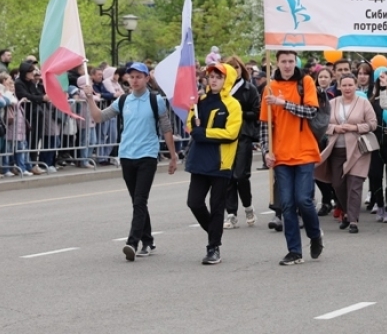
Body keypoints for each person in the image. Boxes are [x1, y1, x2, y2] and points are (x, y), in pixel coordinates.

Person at [87, 62, 178, 261]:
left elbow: (166, 128)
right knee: (137, 202)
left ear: (147, 78)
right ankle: (148, 240)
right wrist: (88, 98)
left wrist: (173, 155)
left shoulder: (155, 101)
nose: (135, 80)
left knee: (139, 200)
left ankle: (132, 242)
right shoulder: (123, 100)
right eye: (131, 77)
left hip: (147, 154)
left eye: (139, 76)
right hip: (127, 154)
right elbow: (99, 117)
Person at [260, 50, 324, 266]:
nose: (287, 65)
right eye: (283, 61)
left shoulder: (305, 82)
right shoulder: (269, 88)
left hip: (304, 150)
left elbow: (311, 112)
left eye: (290, 61)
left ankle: (315, 235)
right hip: (281, 154)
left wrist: (283, 102)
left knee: (303, 200)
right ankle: (294, 251)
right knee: (286, 204)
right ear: (276, 63)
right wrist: (266, 151)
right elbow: (266, 124)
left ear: (295, 62)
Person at [185, 63, 243, 265]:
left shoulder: (233, 105)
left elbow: (231, 133)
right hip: (199, 160)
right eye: (211, 76)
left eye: (219, 76)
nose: (214, 80)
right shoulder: (199, 101)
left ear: (227, 79)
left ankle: (213, 247)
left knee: (217, 206)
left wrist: (205, 133)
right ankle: (214, 232)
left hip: (220, 162)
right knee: (194, 202)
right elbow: (190, 123)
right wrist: (193, 126)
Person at [316, 75, 377, 233]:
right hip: (336, 149)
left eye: (351, 85)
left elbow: (372, 124)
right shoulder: (332, 103)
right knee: (338, 184)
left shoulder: (364, 103)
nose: (348, 88)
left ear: (356, 86)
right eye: (344, 85)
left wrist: (355, 128)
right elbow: (322, 124)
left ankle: (353, 220)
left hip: (358, 150)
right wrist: (335, 129)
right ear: (339, 87)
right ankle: (345, 211)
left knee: (354, 185)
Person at [222, 57, 261, 230]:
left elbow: (257, 112)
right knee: (227, 175)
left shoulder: (249, 88)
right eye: (230, 67)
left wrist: (238, 112)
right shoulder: (221, 89)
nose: (234, 70)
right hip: (224, 136)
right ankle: (231, 213)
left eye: (236, 67)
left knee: (241, 175)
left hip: (243, 134)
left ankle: (248, 206)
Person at [369, 68, 387, 222]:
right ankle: (379, 204)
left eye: (386, 79)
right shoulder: (372, 101)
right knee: (375, 176)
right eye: (380, 79)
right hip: (375, 145)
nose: (383, 81)